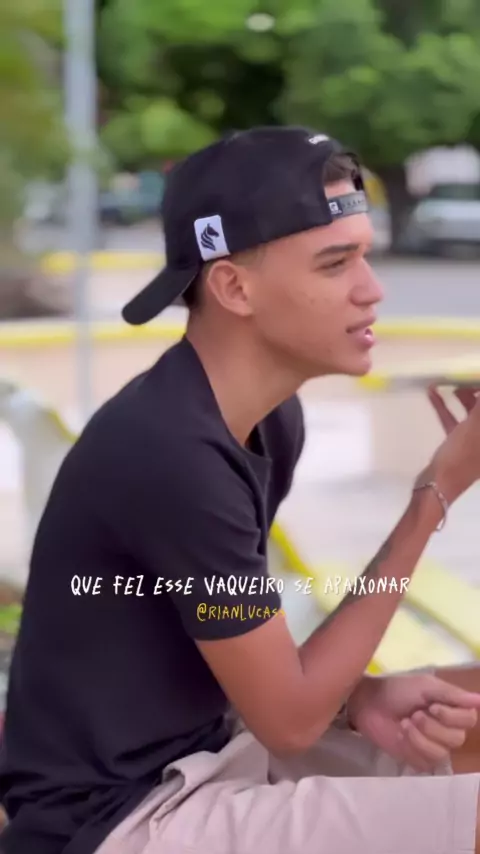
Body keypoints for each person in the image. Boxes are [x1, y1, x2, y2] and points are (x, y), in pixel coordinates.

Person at [0, 125, 479, 854]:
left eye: (365, 256)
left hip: (216, 750)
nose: (371, 290)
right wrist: (435, 492)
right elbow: (290, 720)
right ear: (232, 287)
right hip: (119, 820)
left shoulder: (265, 421)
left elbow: (240, 651)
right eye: (335, 263)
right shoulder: (171, 452)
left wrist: (358, 699)